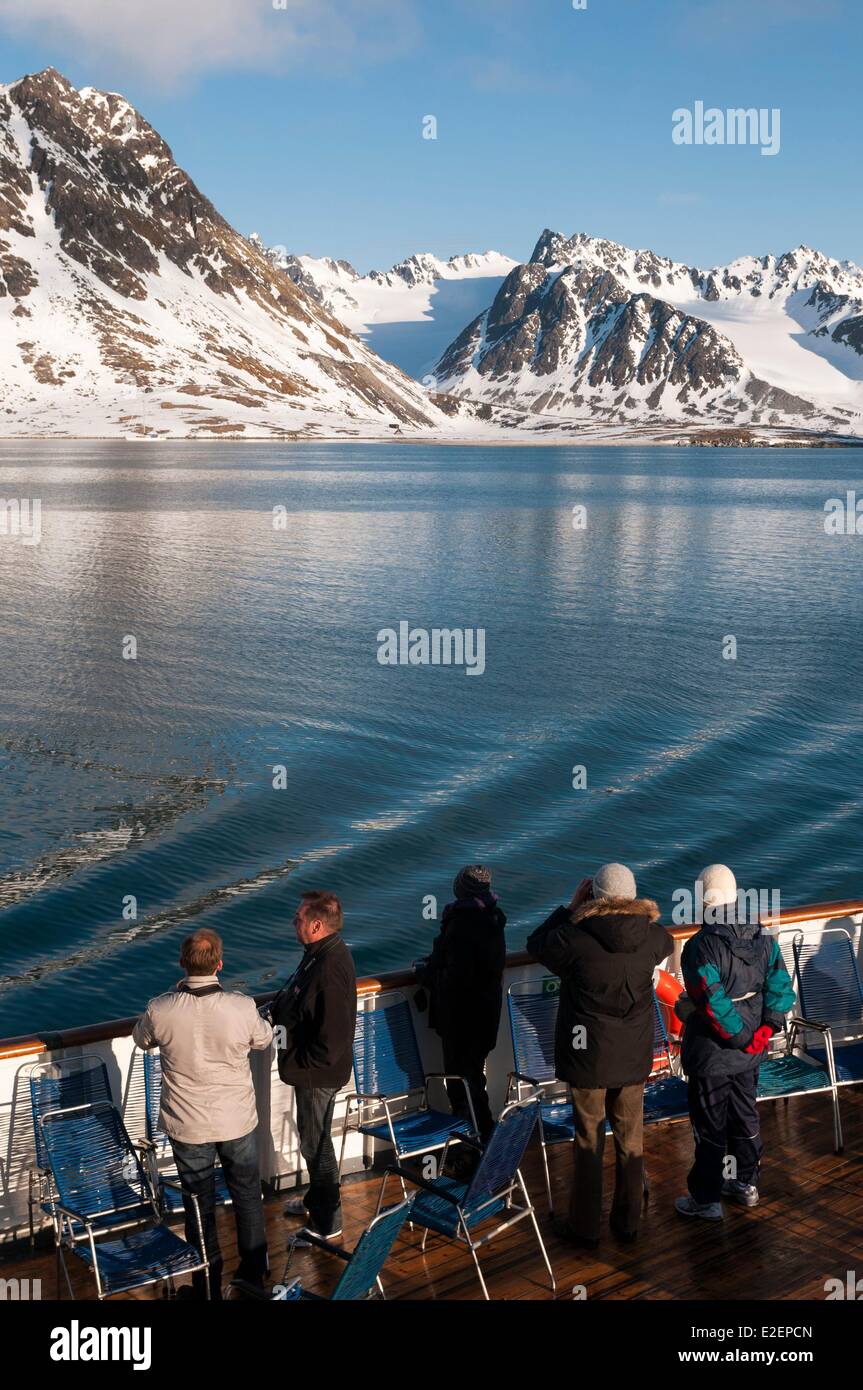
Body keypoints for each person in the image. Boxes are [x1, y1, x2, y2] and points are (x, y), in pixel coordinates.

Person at [527, 863, 673, 1248]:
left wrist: (569, 909)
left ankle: (585, 1226)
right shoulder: (653, 936)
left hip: (588, 1053)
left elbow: (536, 944)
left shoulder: (575, 938)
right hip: (633, 1053)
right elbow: (668, 944)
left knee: (589, 1141)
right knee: (631, 1139)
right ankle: (628, 1222)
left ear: (594, 897)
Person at [133, 928, 273, 1299]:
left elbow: (141, 1039)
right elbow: (263, 1039)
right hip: (236, 1120)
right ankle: (253, 1274)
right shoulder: (240, 1007)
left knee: (199, 1205)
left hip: (188, 1124)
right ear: (220, 964)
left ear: (182, 964)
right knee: (246, 1194)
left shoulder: (160, 1009)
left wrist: (175, 995)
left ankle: (207, 1283)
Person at [674, 864, 796, 1221]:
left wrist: (741, 1037)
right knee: (745, 1113)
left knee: (710, 1124)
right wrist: (765, 1030)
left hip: (712, 1054)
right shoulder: (764, 938)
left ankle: (707, 1199)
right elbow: (780, 986)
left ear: (703, 900)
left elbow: (711, 1001)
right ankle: (746, 1183)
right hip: (751, 1052)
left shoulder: (700, 947)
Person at [272, 891, 356, 1244]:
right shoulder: (319, 955)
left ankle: (327, 1223)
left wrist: (298, 1065)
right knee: (313, 1139)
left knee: (316, 1145)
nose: (294, 922)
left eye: (299, 918)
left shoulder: (329, 967)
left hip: (317, 1076)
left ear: (316, 925)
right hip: (311, 1072)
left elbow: (331, 1040)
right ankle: (315, 1200)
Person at [415, 864, 507, 1144]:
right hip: (485, 1016)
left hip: (461, 1020)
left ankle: (475, 1143)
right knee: (473, 1078)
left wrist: (425, 974)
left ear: (461, 889)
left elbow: (455, 979)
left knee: (462, 1083)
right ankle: (480, 1140)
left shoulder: (463, 924)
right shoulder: (493, 918)